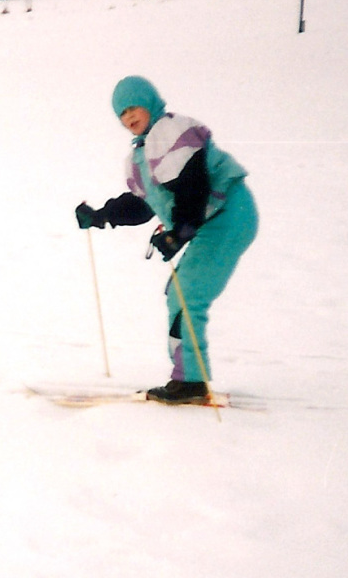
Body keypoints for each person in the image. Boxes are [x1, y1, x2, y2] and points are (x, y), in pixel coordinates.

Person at [75, 76, 258, 404]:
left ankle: (190, 382)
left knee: (187, 295)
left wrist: (180, 232)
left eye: (134, 107)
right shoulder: (142, 154)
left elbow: (193, 186)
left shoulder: (170, 132)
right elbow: (143, 205)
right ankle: (188, 378)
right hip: (213, 221)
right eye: (122, 113)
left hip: (229, 215)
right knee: (180, 294)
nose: (129, 116)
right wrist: (101, 215)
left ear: (150, 102)